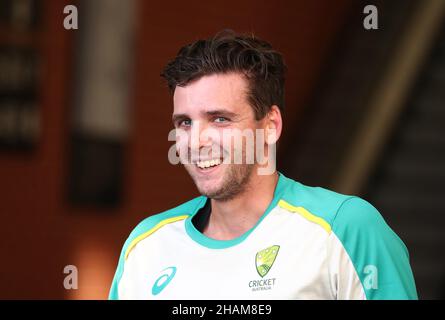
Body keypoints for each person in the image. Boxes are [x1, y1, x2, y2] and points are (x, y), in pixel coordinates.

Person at [109, 30, 417, 300]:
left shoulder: (345, 228)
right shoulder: (145, 248)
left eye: (220, 119)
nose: (196, 141)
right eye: (185, 122)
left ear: (270, 125)